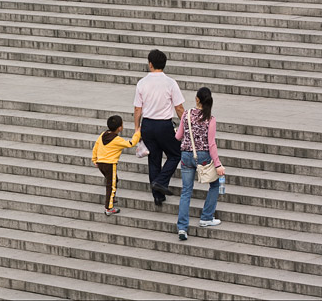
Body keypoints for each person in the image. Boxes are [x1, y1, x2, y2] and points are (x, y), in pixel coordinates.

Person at [133, 49, 185, 206]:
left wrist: (137, 128)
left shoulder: (142, 83)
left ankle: (158, 196)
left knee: (154, 159)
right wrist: (186, 125)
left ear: (150, 64)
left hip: (148, 125)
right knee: (175, 154)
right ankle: (161, 181)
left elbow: (137, 109)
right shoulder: (170, 83)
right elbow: (179, 108)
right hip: (164, 124)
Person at [174, 87, 226, 241]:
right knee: (215, 185)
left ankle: (182, 228)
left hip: (186, 155)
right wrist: (218, 165)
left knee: (186, 192)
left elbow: (178, 136)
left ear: (197, 99)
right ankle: (206, 217)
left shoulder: (186, 114)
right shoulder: (210, 118)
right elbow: (211, 144)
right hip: (203, 155)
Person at [92, 115, 141, 216]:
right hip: (110, 164)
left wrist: (94, 159)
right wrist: (138, 133)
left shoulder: (102, 135)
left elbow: (96, 146)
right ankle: (109, 208)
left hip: (101, 163)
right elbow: (130, 143)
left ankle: (111, 199)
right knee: (111, 185)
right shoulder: (117, 139)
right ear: (119, 128)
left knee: (114, 180)